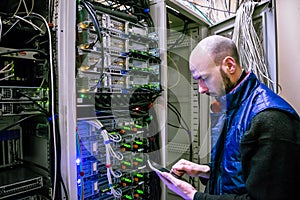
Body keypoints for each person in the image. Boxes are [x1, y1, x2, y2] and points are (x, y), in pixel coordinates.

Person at [156, 35, 300, 200]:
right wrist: (205, 171)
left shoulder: (270, 119)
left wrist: (192, 195)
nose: (201, 89)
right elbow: (243, 170)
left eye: (204, 78)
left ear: (230, 65)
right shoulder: (234, 107)